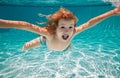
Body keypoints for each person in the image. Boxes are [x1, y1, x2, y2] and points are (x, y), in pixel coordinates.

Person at [0, 6, 120, 51]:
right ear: (55, 27)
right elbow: (25, 25)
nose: (67, 30)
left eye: (70, 27)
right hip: (45, 41)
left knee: (68, 45)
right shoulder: (48, 32)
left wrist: (113, 12)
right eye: (62, 26)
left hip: (65, 46)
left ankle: (68, 46)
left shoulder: (73, 32)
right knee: (26, 47)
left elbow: (90, 23)